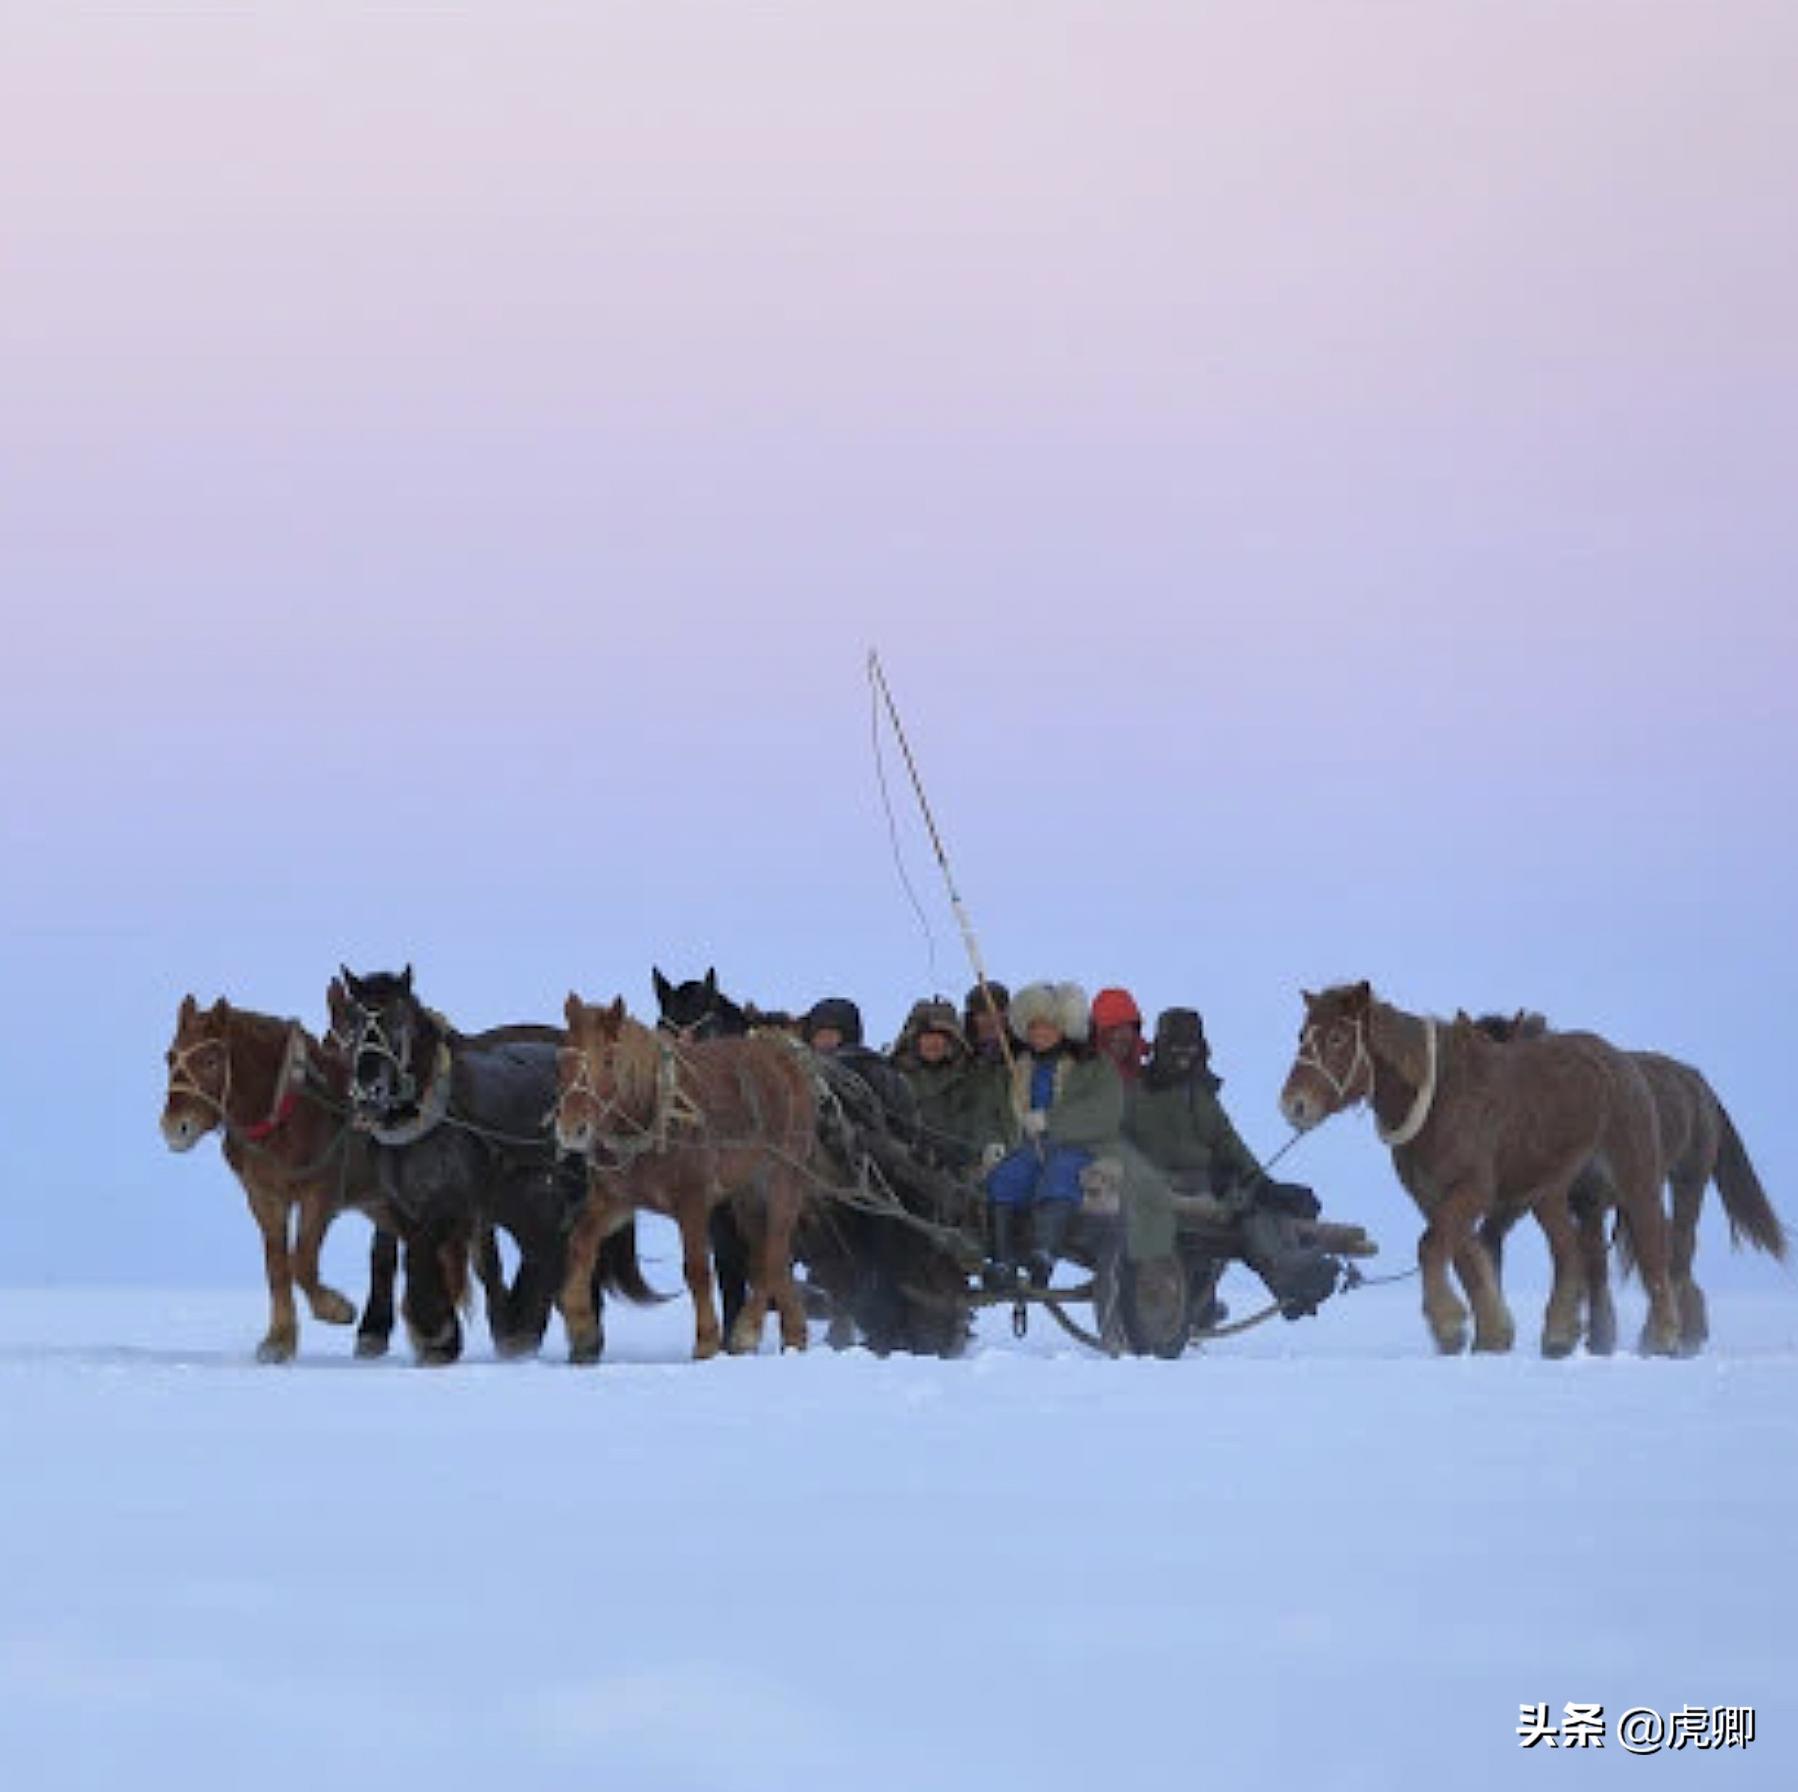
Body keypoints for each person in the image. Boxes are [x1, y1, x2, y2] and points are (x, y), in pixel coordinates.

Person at [1127, 1007, 1338, 1319]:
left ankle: (1294, 1282)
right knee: (1244, 1206)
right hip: (1165, 1186)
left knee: (1271, 1199)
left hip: (1207, 1180)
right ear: (1160, 1046)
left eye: (1190, 1045)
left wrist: (1263, 1182)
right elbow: (1136, 1144)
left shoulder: (1201, 1093)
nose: (1183, 1053)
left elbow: (1228, 1141)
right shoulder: (1140, 1091)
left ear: (1200, 1047)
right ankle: (1287, 1275)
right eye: (1175, 1045)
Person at [982, 981, 1123, 1290]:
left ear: (1064, 1028)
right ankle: (1002, 1261)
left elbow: (1105, 1113)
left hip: (1081, 1146)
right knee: (1005, 1178)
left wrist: (1051, 1121)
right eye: (1033, 1028)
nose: (1039, 1035)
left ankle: (1044, 1254)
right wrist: (997, 1141)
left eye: (1047, 1028)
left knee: (1059, 1175)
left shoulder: (1093, 1066)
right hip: (1029, 1146)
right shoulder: (1018, 1067)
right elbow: (997, 1112)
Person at [888, 997, 1011, 1173]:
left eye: (941, 1037)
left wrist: (988, 1148)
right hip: (907, 1167)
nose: (934, 1043)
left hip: (963, 1169)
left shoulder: (974, 1078)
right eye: (927, 1037)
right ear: (914, 1041)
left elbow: (983, 1118)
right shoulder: (894, 1080)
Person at [1090, 986, 1149, 1085]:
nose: (1118, 1036)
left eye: (1125, 1030)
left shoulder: (1150, 1081)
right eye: (1111, 1030)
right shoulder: (1083, 1080)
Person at [962, 981, 1011, 1065]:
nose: (991, 1020)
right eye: (983, 1014)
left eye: (997, 1012)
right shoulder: (961, 1057)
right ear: (973, 1018)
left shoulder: (1021, 1054)